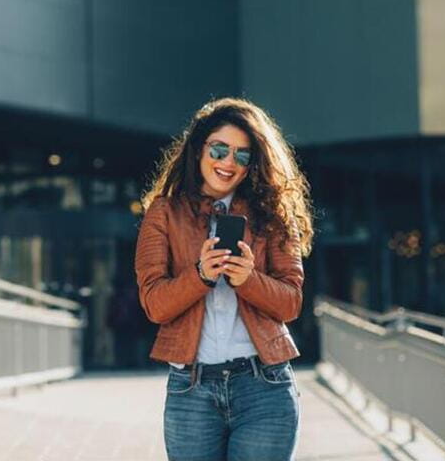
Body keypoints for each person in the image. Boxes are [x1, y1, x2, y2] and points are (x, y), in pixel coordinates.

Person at [134, 97, 314, 461]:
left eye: (242, 155)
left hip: (264, 388)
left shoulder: (272, 214)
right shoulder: (163, 213)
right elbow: (154, 304)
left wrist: (248, 279)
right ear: (198, 150)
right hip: (191, 390)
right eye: (219, 149)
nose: (228, 162)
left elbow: (291, 303)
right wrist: (200, 275)